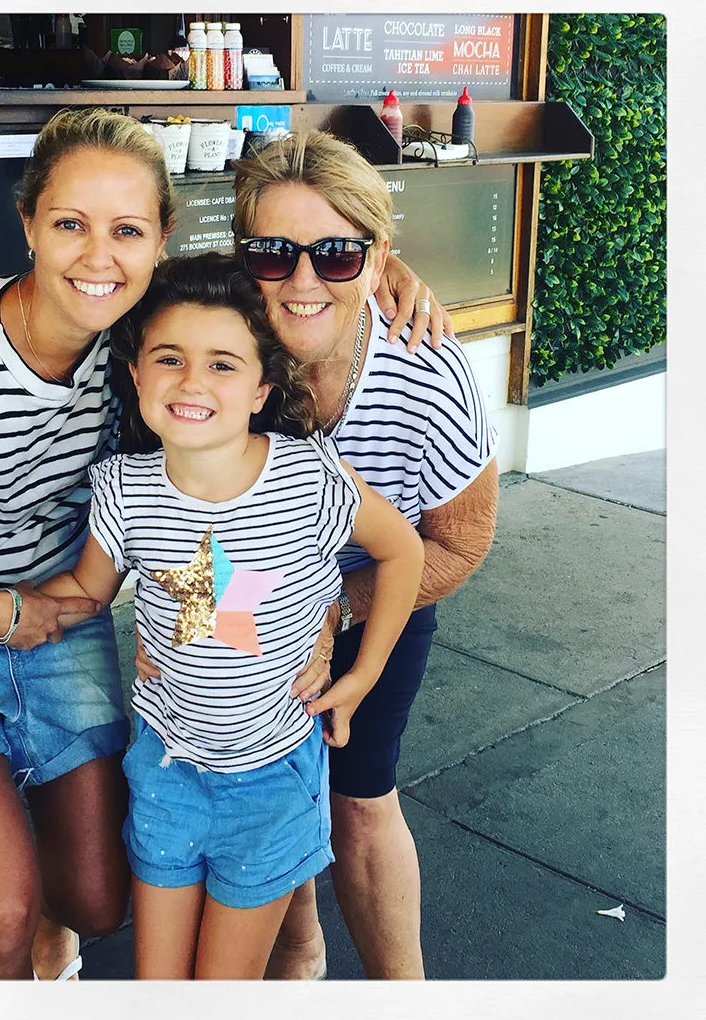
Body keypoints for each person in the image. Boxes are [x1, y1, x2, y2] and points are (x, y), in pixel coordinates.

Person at [0, 106, 454, 982]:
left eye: (127, 231)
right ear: (27, 224)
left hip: (62, 606)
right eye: (69, 224)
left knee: (101, 903)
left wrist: (372, 264)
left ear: (159, 241)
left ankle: (54, 914)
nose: (99, 258)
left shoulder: (135, 331)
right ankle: (14, 903)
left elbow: (255, 292)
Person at [0, 253, 424, 979]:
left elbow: (403, 553)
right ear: (136, 377)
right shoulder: (123, 489)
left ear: (261, 389)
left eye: (223, 364)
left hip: (272, 781)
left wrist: (365, 672)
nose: (192, 382)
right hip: (165, 773)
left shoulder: (310, 477)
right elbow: (82, 594)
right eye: (169, 358)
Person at [234, 130, 500, 980]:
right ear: (242, 257)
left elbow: (462, 539)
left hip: (386, 587)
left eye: (338, 253)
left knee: (360, 798)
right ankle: (299, 947)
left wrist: (331, 609)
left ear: (379, 253)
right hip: (231, 581)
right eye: (273, 254)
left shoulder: (430, 370)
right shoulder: (213, 336)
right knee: (250, 785)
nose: (303, 279)